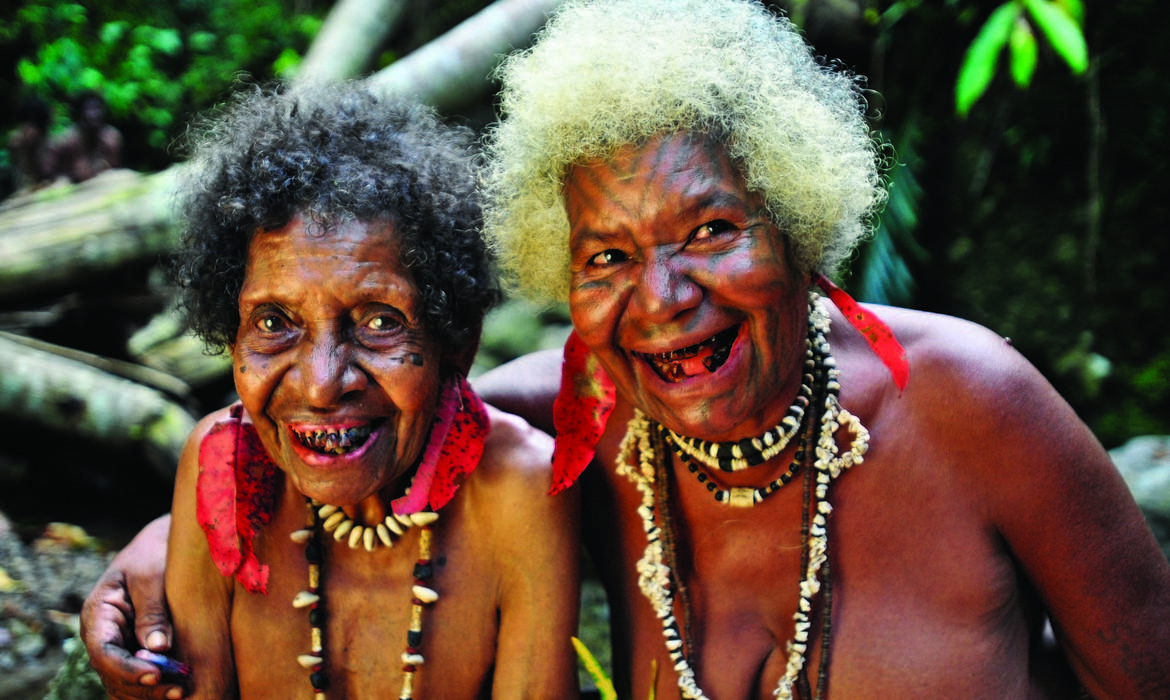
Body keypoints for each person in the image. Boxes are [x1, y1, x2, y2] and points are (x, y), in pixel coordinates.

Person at [83, 1, 1170, 698]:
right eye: (606, 256)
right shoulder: (592, 417)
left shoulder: (972, 403)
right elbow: (379, 414)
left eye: (709, 231)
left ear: (798, 218)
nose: (663, 300)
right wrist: (171, 531)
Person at [85, 82, 579, 700]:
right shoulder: (220, 471)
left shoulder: (519, 492)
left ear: (458, 339)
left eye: (379, 321)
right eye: (272, 323)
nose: (321, 385)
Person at [46, 89, 123, 183]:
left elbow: (114, 170)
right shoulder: (65, 142)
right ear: (79, 114)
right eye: (88, 109)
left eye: (97, 108)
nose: (94, 114)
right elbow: (49, 172)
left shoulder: (111, 139)